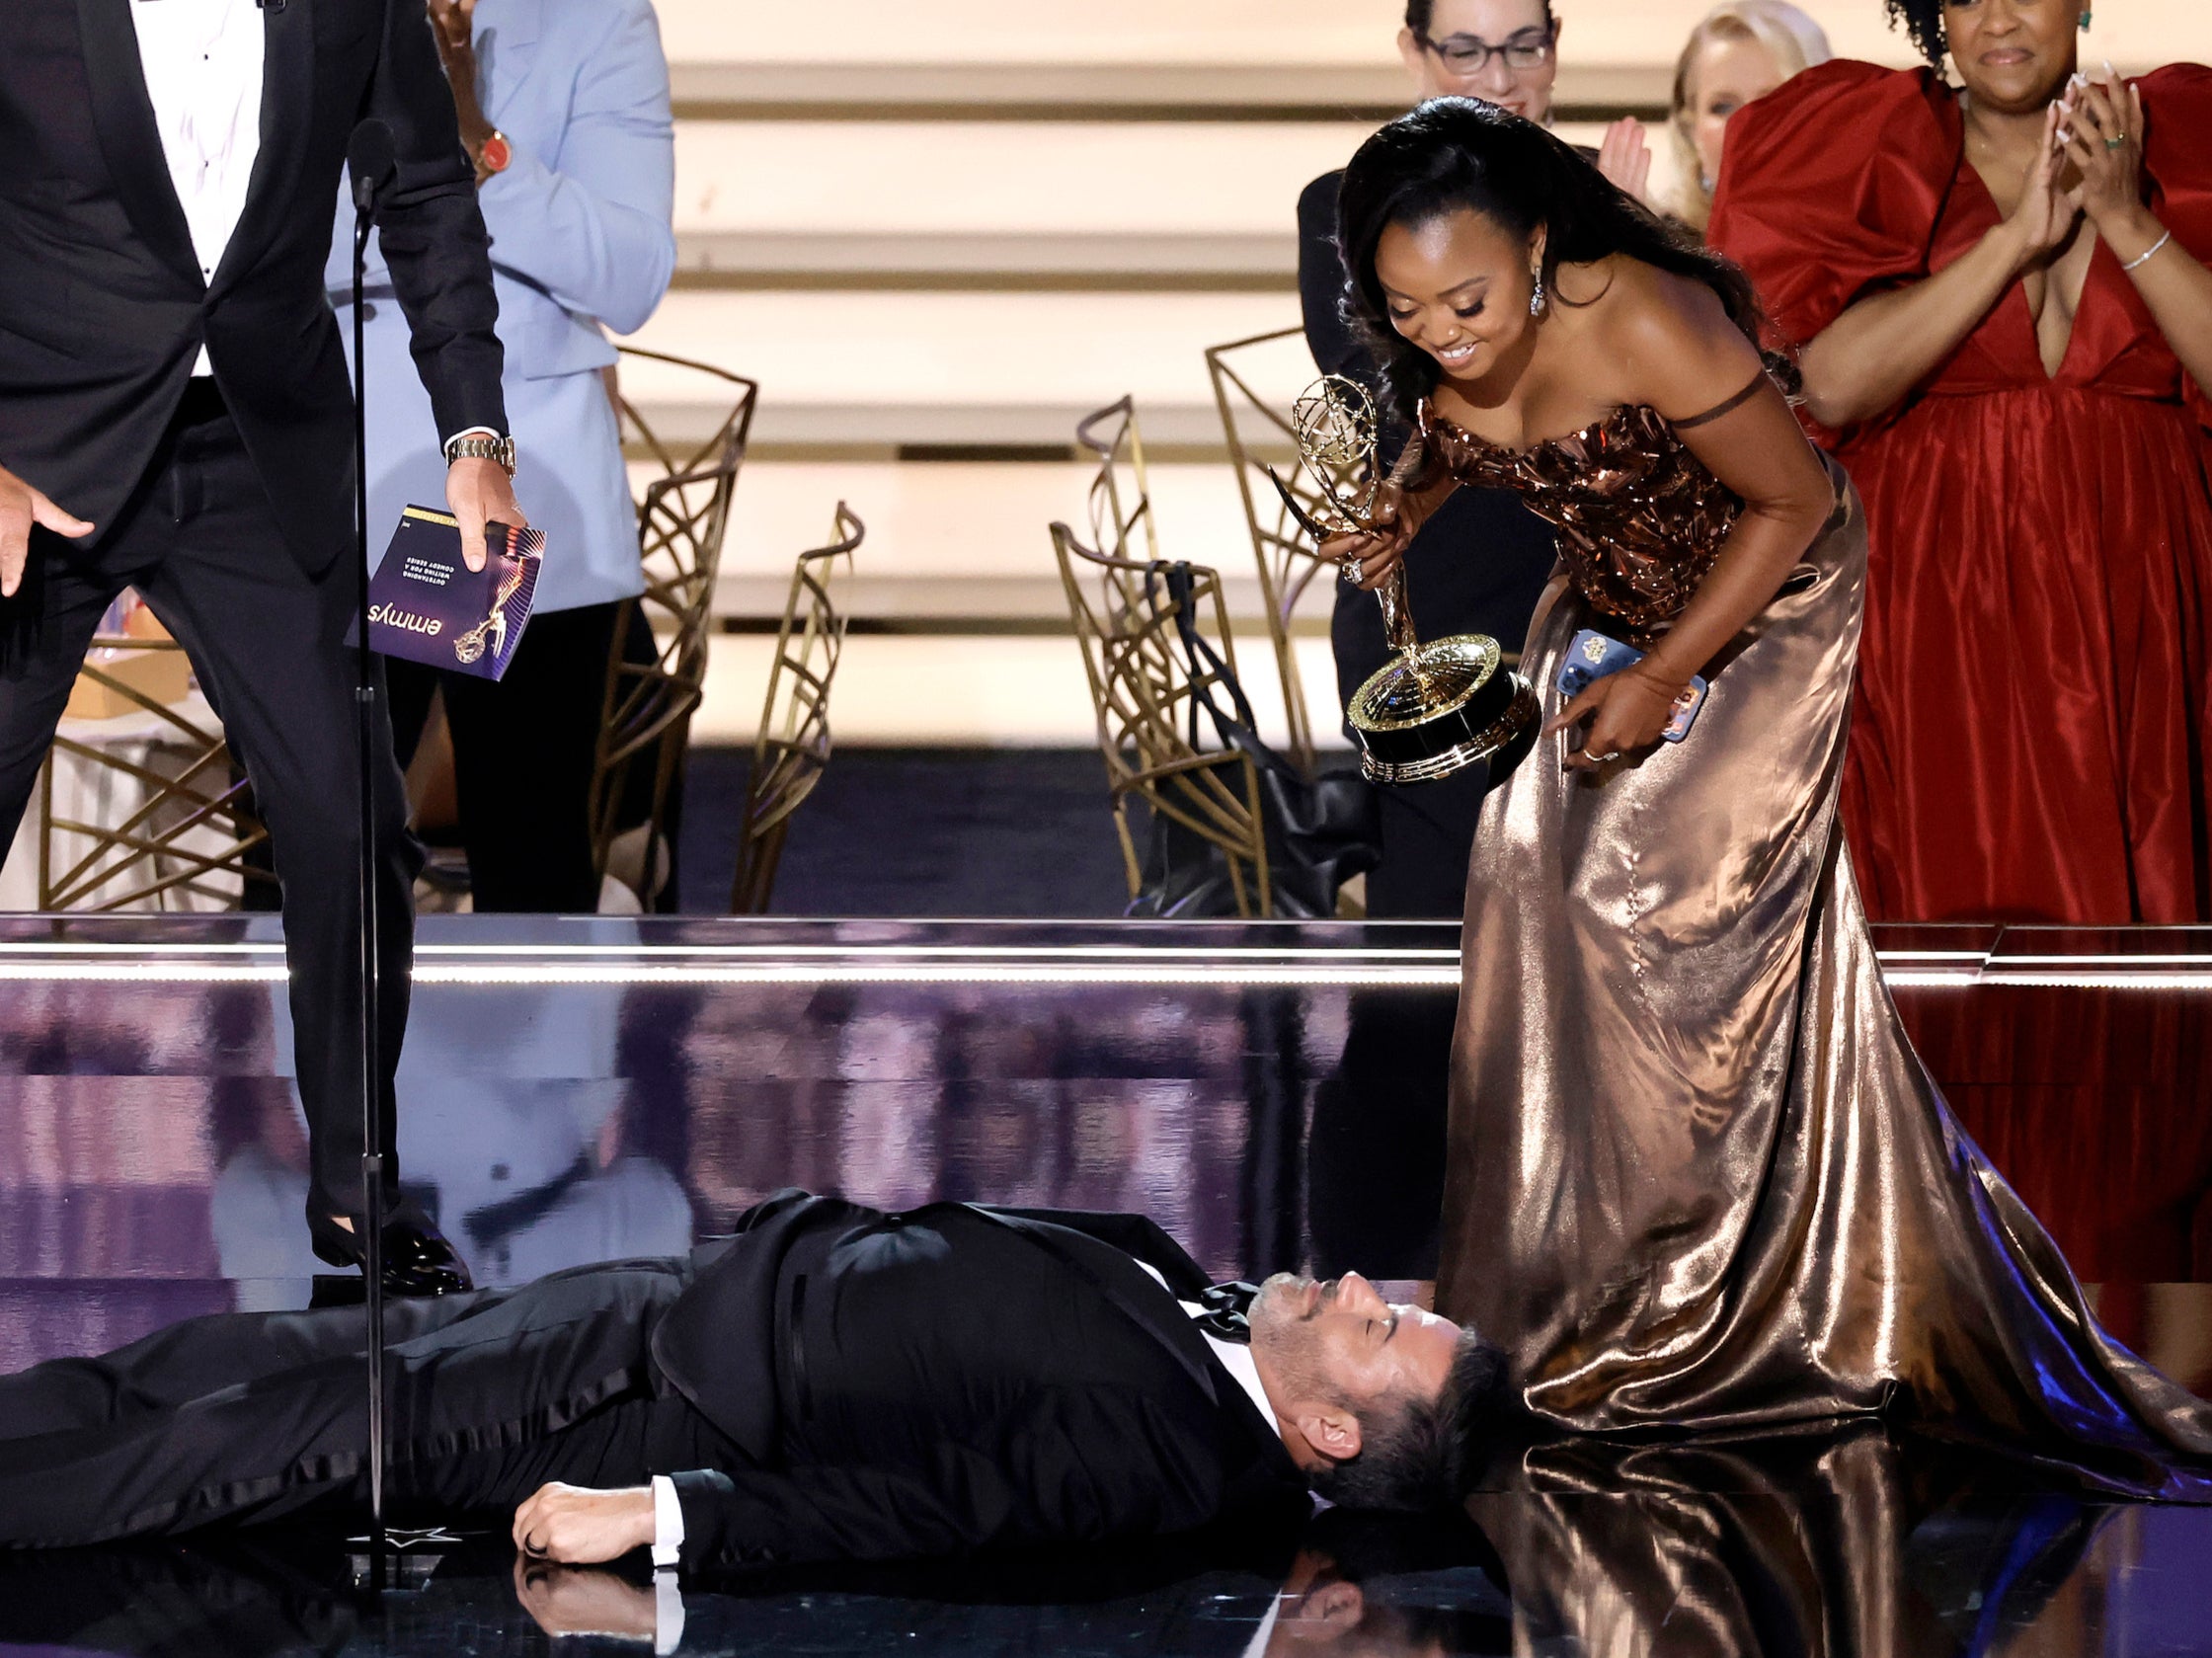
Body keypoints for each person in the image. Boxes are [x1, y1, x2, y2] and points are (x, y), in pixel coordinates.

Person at [1321, 98, 2212, 1498]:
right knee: (1527, 877)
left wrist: (1671, 675)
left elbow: (1795, 504)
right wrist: (1400, 511)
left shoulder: (1648, 316)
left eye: (1471, 299)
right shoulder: (1444, 351)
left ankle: (1703, 1296)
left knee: (1643, 893)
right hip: (1613, 608)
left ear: (1544, 253)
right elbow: (1454, 436)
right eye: (1407, 306)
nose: (1444, 330)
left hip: (1769, 602)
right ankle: (1569, 1286)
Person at [0, 0, 526, 1296]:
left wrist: (475, 440)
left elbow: (424, 184)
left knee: (355, 824)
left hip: (257, 450)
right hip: (33, 457)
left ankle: (357, 1188)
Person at [0, 1189, 1512, 1558]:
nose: (1368, 1288)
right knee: (232, 1354)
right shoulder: (1199, 1292)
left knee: (257, 1440)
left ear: (1324, 1425)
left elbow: (919, 1511)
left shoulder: (1178, 1460)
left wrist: (655, 1510)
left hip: (648, 1393)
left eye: (1386, 1329)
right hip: (665, 1292)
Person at [1705, 6, 2212, 924]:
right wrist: (2014, 240)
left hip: (2152, 591)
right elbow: (1829, 389)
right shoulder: (1867, 142)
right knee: (1957, 903)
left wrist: (2126, 215)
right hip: (1941, 596)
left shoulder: (2186, 131)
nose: (2001, 17)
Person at [1298, 0, 1650, 917]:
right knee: (1440, 929)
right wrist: (1599, 276)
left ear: (1556, 48)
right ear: (1414, 51)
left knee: (1595, 921)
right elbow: (1415, 391)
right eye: (1466, 50)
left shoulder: (1604, 197)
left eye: (1522, 45)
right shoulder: (1348, 208)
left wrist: (1636, 246)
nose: (1498, 78)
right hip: (1438, 607)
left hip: (1596, 601)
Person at [334, 0, 676, 913]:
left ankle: (547, 1054)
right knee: (321, 868)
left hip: (499, 495)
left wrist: (473, 141)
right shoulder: (301, 16)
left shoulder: (594, 21)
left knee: (528, 877)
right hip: (327, 468)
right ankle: (322, 1057)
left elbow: (632, 274)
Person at [1665, 2, 1832, 235]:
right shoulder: (1653, 262)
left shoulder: (1880, 254)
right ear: (1692, 130)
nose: (1745, 124)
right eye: (1723, 106)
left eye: (1773, 101)